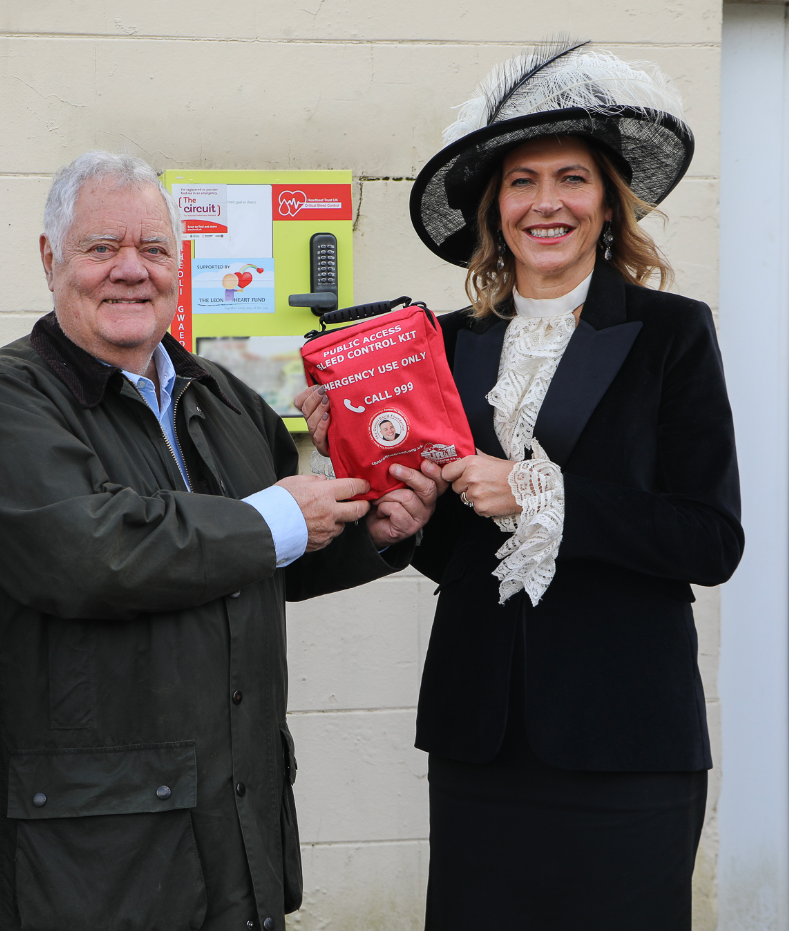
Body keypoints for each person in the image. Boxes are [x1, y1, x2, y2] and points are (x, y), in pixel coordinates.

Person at [0, 151, 441, 931]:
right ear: (50, 258)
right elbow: (89, 553)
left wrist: (368, 532)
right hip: (92, 861)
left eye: (154, 249)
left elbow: (266, 557)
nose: (130, 271)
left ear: (181, 263)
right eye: (101, 247)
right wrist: (276, 518)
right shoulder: (0, 402)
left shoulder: (221, 395)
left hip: (232, 832)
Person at [303, 41, 743, 929]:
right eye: (520, 181)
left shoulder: (671, 334)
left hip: (626, 737)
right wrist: (389, 495)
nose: (546, 202)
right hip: (482, 737)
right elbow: (457, 553)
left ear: (608, 203)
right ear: (492, 211)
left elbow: (708, 539)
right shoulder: (442, 343)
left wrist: (545, 493)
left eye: (571, 179)